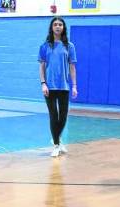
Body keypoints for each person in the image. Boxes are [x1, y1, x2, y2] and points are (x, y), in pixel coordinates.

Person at [38, 16, 77, 157]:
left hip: (64, 87)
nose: (58, 26)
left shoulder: (69, 46)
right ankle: (56, 144)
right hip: (49, 87)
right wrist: (43, 83)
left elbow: (72, 67)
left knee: (63, 116)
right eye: (55, 24)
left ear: (63, 27)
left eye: (60, 24)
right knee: (54, 116)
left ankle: (57, 138)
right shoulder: (45, 46)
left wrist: (74, 86)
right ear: (52, 27)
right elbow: (41, 67)